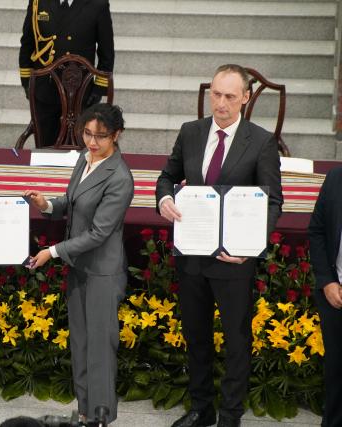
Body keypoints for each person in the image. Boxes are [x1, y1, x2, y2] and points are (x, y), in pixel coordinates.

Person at [155, 64, 283, 427]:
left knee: (236, 341)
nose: (221, 103)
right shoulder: (191, 132)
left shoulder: (261, 142)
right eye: (215, 94)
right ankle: (201, 408)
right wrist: (164, 199)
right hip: (193, 255)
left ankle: (229, 415)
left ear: (246, 98)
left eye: (229, 96)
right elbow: (167, 176)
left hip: (234, 260)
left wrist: (252, 246)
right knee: (196, 337)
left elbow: (273, 202)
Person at [24, 103, 134, 424]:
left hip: (102, 273)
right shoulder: (84, 159)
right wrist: (46, 205)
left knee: (100, 350)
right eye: (87, 133)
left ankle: (101, 416)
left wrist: (53, 251)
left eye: (101, 136)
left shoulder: (120, 177)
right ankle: (85, 411)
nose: (92, 142)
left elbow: (99, 232)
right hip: (80, 269)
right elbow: (72, 203)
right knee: (81, 344)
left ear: (116, 135)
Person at [19, 0, 114, 147]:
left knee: (79, 149)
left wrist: (99, 87)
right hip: (45, 89)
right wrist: (26, 81)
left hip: (80, 92)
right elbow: (27, 43)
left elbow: (106, 51)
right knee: (45, 147)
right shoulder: (39, 2)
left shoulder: (98, 4)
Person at [308, 167, 342, 427]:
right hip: (335, 294)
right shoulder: (335, 178)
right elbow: (317, 231)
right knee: (336, 369)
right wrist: (327, 280)